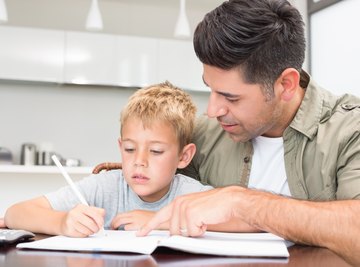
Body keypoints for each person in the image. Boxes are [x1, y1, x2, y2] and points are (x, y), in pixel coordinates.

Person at [137, 0, 360, 264]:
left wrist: (242, 203)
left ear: (286, 84)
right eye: (210, 88)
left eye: (230, 97)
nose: (212, 110)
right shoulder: (202, 137)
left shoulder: (350, 130)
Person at [4, 81, 213, 237]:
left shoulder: (191, 195)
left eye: (156, 151)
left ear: (183, 157)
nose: (139, 161)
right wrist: (63, 222)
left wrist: (161, 221)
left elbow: (243, 219)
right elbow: (16, 213)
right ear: (121, 147)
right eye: (130, 149)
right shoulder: (104, 187)